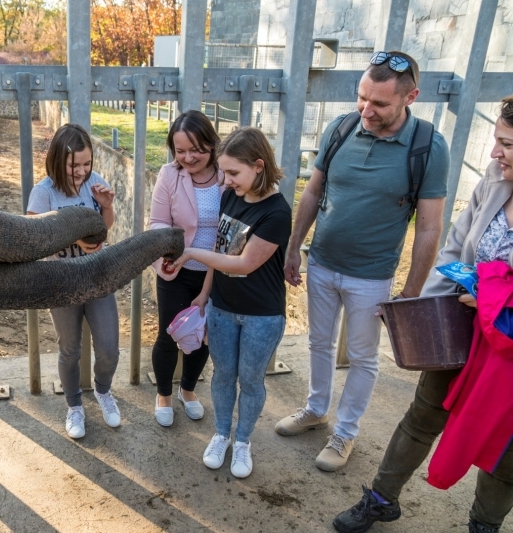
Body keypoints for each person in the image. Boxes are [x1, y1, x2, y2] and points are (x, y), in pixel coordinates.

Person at [332, 96, 513, 533]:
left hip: (506, 350)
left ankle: (484, 525)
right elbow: (456, 247)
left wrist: (498, 299)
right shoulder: (494, 180)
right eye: (496, 140)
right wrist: (429, 311)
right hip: (465, 329)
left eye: (507, 144)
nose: (494, 153)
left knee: (505, 450)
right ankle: (381, 499)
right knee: (422, 415)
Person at [277, 51, 450, 471]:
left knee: (362, 355)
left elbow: (429, 227)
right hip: (322, 262)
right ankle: (316, 409)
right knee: (318, 342)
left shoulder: (428, 147)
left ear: (411, 97)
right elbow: (313, 191)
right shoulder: (340, 128)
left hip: (371, 276)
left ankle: (345, 432)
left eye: (379, 103)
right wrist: (294, 247)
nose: (366, 110)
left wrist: (411, 291)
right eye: (362, 97)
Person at [169, 127, 291, 478]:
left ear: (258, 165)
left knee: (250, 381)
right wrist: (205, 294)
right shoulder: (230, 196)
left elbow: (244, 263)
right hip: (222, 307)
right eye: (224, 172)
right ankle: (221, 434)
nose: (227, 180)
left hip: (261, 315)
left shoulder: (277, 212)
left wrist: (192, 253)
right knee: (223, 375)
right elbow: (222, 250)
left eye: (234, 172)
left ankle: (243, 441)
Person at [27, 123, 120, 439]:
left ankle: (103, 391)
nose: (81, 172)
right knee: (69, 349)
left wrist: (106, 207)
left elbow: (104, 228)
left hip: (97, 276)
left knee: (109, 348)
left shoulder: (94, 182)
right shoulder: (44, 193)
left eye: (86, 164)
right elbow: (35, 237)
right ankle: (74, 406)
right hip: (62, 282)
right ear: (57, 159)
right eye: (73, 165)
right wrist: (76, 236)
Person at [149, 110, 224, 427]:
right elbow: (157, 222)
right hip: (176, 271)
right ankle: (164, 394)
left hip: (217, 272)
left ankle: (188, 389)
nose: (188, 158)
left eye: (196, 150)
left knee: (204, 335)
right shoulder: (169, 175)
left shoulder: (227, 173)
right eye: (180, 151)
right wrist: (169, 253)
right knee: (170, 334)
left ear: (211, 144)